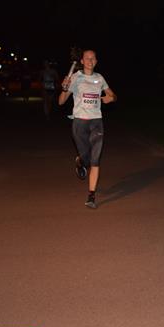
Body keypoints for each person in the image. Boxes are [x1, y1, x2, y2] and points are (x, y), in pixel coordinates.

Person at [58, 49, 117, 209]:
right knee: (86, 158)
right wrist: (64, 88)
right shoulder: (75, 78)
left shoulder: (100, 78)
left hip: (96, 122)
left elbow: (113, 95)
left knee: (95, 160)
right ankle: (80, 161)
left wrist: (111, 99)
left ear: (96, 61)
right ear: (82, 61)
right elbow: (61, 102)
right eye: (87, 58)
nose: (90, 60)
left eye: (93, 58)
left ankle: (91, 196)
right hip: (79, 123)